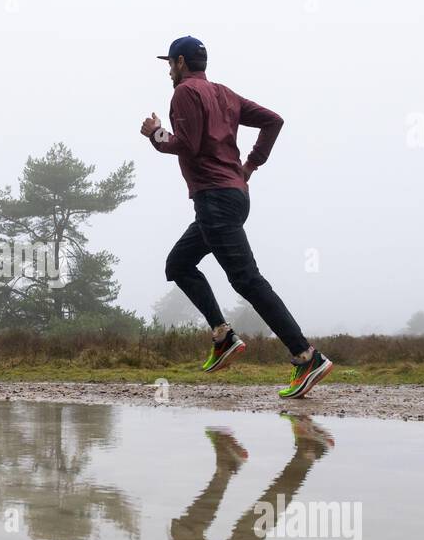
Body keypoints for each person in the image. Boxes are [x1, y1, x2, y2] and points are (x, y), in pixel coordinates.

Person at [141, 35, 333, 399]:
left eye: (170, 63)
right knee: (178, 264)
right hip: (232, 196)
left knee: (247, 280)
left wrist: (155, 134)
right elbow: (273, 121)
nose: (168, 70)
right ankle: (223, 335)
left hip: (214, 199)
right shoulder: (224, 94)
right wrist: (250, 166)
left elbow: (188, 144)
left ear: (180, 63)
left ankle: (306, 356)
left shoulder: (184, 93)